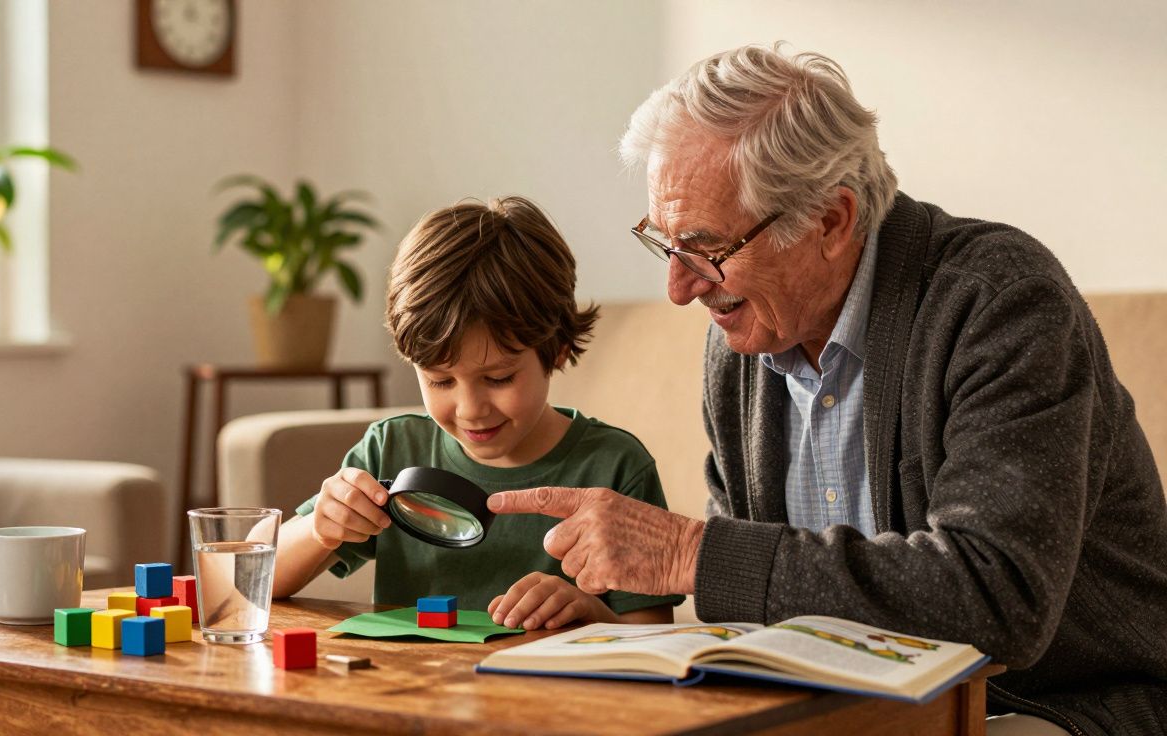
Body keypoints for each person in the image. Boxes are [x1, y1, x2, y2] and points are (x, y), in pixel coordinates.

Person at [487, 45, 1167, 735]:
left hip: (1055, 706)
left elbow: (998, 598)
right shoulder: (741, 348)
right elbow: (753, 607)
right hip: (848, 709)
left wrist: (689, 553)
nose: (679, 287)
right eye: (665, 244)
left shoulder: (998, 303)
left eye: (705, 247)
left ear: (832, 221)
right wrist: (619, 640)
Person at [271, 196, 684, 630]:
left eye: (500, 378)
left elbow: (653, 634)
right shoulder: (392, 449)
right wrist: (320, 529)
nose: (470, 410)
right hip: (409, 691)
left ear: (557, 350)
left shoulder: (615, 467)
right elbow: (260, 583)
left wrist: (590, 614)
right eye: (440, 381)